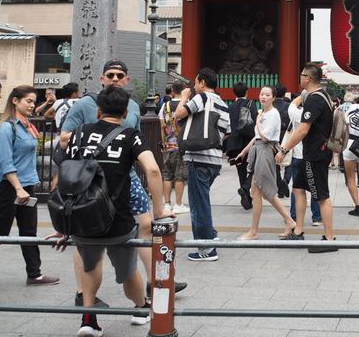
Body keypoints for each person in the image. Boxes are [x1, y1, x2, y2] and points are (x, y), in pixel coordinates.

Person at [60, 60, 179, 302]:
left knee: (145, 226)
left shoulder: (133, 106)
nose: (115, 78)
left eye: (120, 75)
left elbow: (135, 143)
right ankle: (86, 294)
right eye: (110, 75)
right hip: (90, 181)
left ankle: (155, 279)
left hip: (127, 177)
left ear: (126, 79)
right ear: (101, 78)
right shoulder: (84, 104)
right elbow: (64, 140)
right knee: (91, 240)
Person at [0, 85, 59, 286]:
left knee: (29, 231)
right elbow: (4, 162)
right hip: (9, 188)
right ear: (15, 101)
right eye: (29, 101)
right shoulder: (7, 128)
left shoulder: (26, 125)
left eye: (34, 101)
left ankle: (34, 274)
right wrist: (18, 188)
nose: (32, 105)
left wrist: (26, 187)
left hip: (27, 187)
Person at [275, 63, 337, 252]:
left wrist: (284, 149)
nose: (299, 77)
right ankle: (298, 231)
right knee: (298, 188)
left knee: (322, 196)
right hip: (310, 153)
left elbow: (302, 130)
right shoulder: (320, 96)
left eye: (302, 75)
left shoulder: (314, 100)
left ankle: (329, 239)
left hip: (316, 154)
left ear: (308, 78)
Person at [174, 67, 231, 262]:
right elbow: (227, 132)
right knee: (202, 201)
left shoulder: (203, 98)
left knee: (199, 205)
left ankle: (206, 248)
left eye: (195, 82)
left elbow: (178, 114)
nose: (194, 86)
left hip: (199, 158)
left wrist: (183, 97)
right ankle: (211, 234)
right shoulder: (223, 103)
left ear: (203, 82)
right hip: (214, 160)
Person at [234, 86, 297, 240]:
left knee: (266, 192)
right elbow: (256, 137)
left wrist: (257, 122)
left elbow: (265, 138)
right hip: (258, 150)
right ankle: (259, 229)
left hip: (265, 151)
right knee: (257, 192)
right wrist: (244, 152)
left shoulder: (273, 114)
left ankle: (286, 222)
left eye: (267, 95)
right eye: (262, 94)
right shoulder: (262, 113)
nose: (263, 97)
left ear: (273, 97)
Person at [285, 92, 321, 228]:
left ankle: (293, 216)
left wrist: (303, 95)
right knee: (314, 187)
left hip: (297, 156)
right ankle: (317, 217)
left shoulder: (295, 112)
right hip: (312, 156)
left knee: (297, 188)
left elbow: (293, 103)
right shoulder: (316, 114)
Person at [225, 82, 258, 210]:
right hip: (248, 142)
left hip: (234, 143)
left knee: (241, 170)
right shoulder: (251, 103)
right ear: (246, 92)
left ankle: (246, 198)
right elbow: (254, 120)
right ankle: (245, 188)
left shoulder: (231, 106)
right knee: (253, 168)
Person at [158, 81, 189, 214]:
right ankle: (178, 203)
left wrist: (164, 142)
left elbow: (161, 125)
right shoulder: (186, 106)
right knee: (179, 176)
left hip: (168, 146)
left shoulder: (165, 105)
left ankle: (166, 203)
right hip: (180, 146)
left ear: (172, 91)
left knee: (167, 175)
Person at [272, 84, 291, 198]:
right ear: (284, 94)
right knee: (289, 162)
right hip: (286, 136)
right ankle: (286, 180)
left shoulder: (271, 106)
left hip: (274, 137)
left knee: (275, 163)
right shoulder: (289, 106)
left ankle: (279, 187)